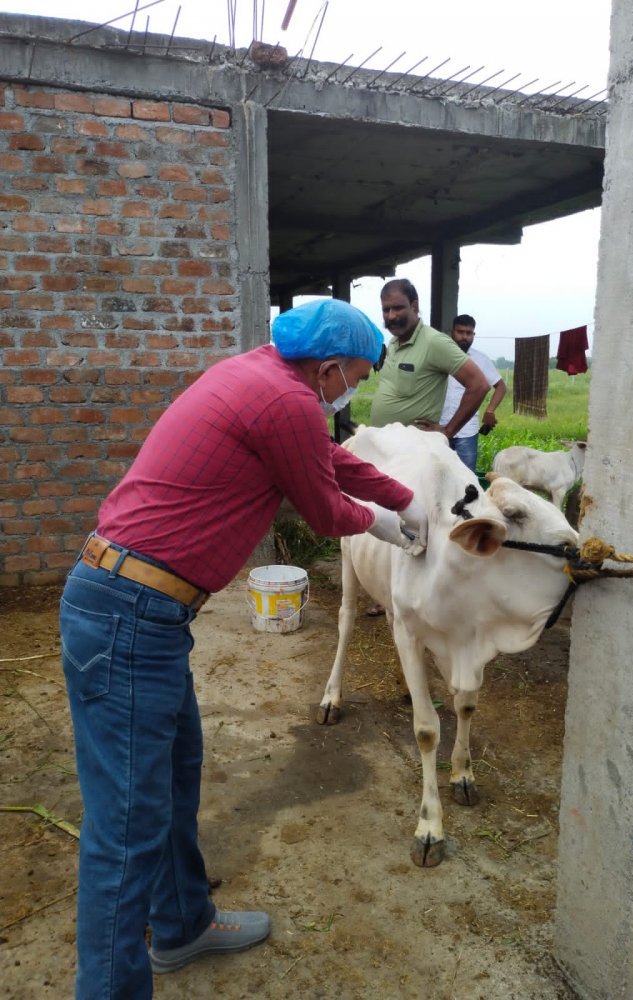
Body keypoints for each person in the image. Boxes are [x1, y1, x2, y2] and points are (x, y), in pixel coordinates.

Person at [59, 298, 429, 1000]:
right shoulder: (286, 402)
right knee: (126, 828)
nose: (356, 390)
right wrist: (385, 521)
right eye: (355, 375)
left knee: (173, 778)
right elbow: (324, 508)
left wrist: (409, 496)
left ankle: (181, 926)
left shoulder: (258, 377)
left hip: (136, 612)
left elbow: (330, 462)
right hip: (129, 617)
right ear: (327, 369)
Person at [370, 278, 490, 435]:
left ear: (414, 306)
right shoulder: (393, 342)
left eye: (398, 308)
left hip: (414, 449)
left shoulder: (434, 342)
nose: (391, 316)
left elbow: (479, 385)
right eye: (386, 310)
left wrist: (449, 430)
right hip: (385, 447)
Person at [438, 314, 507, 473]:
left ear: (473, 335)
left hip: (467, 432)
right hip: (439, 426)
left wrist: (490, 411)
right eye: (460, 332)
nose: (464, 337)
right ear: (452, 333)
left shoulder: (480, 359)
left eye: (469, 333)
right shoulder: (440, 356)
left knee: (466, 479)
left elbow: (501, 387)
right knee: (438, 475)